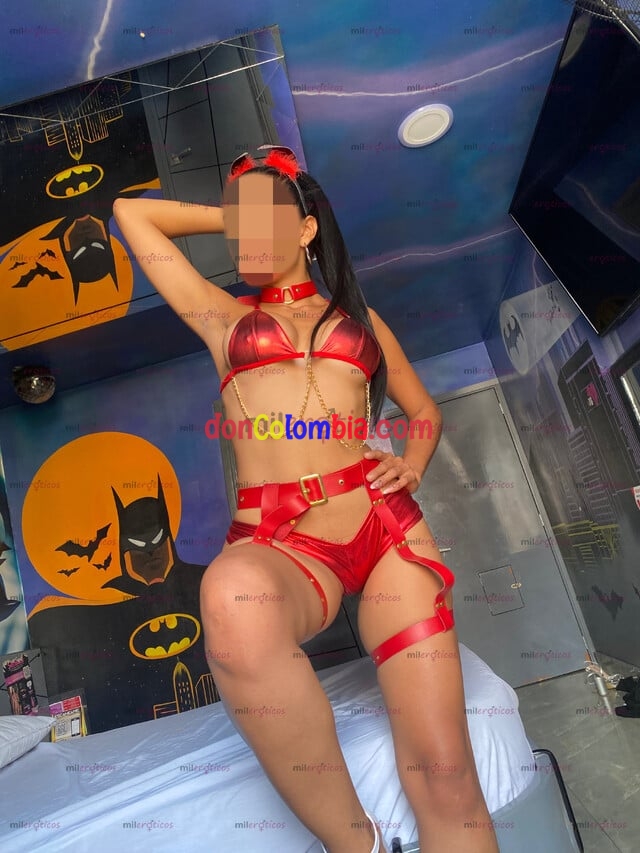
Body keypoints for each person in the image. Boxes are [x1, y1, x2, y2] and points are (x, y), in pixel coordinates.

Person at [113, 146, 499, 853]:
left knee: (447, 779)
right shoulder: (221, 318)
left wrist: (411, 466)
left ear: (307, 228)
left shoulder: (363, 322)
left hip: (383, 529)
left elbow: (424, 413)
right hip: (284, 545)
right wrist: (241, 214)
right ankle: (358, 844)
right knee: (231, 597)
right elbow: (130, 214)